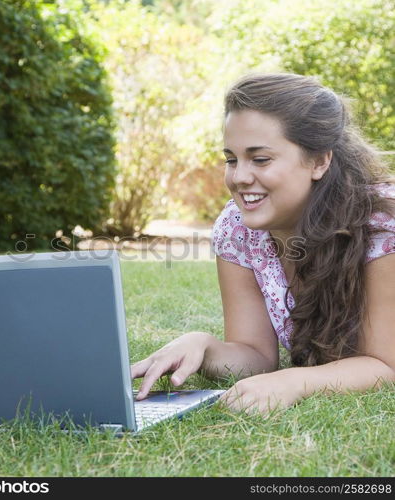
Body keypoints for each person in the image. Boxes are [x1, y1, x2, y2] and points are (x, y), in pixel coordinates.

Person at [131, 73, 395, 416]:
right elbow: (256, 355)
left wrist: (294, 382)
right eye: (231, 159)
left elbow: (385, 366)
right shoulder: (238, 228)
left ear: (319, 161)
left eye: (260, 159)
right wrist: (204, 346)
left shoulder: (380, 223)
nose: (239, 177)